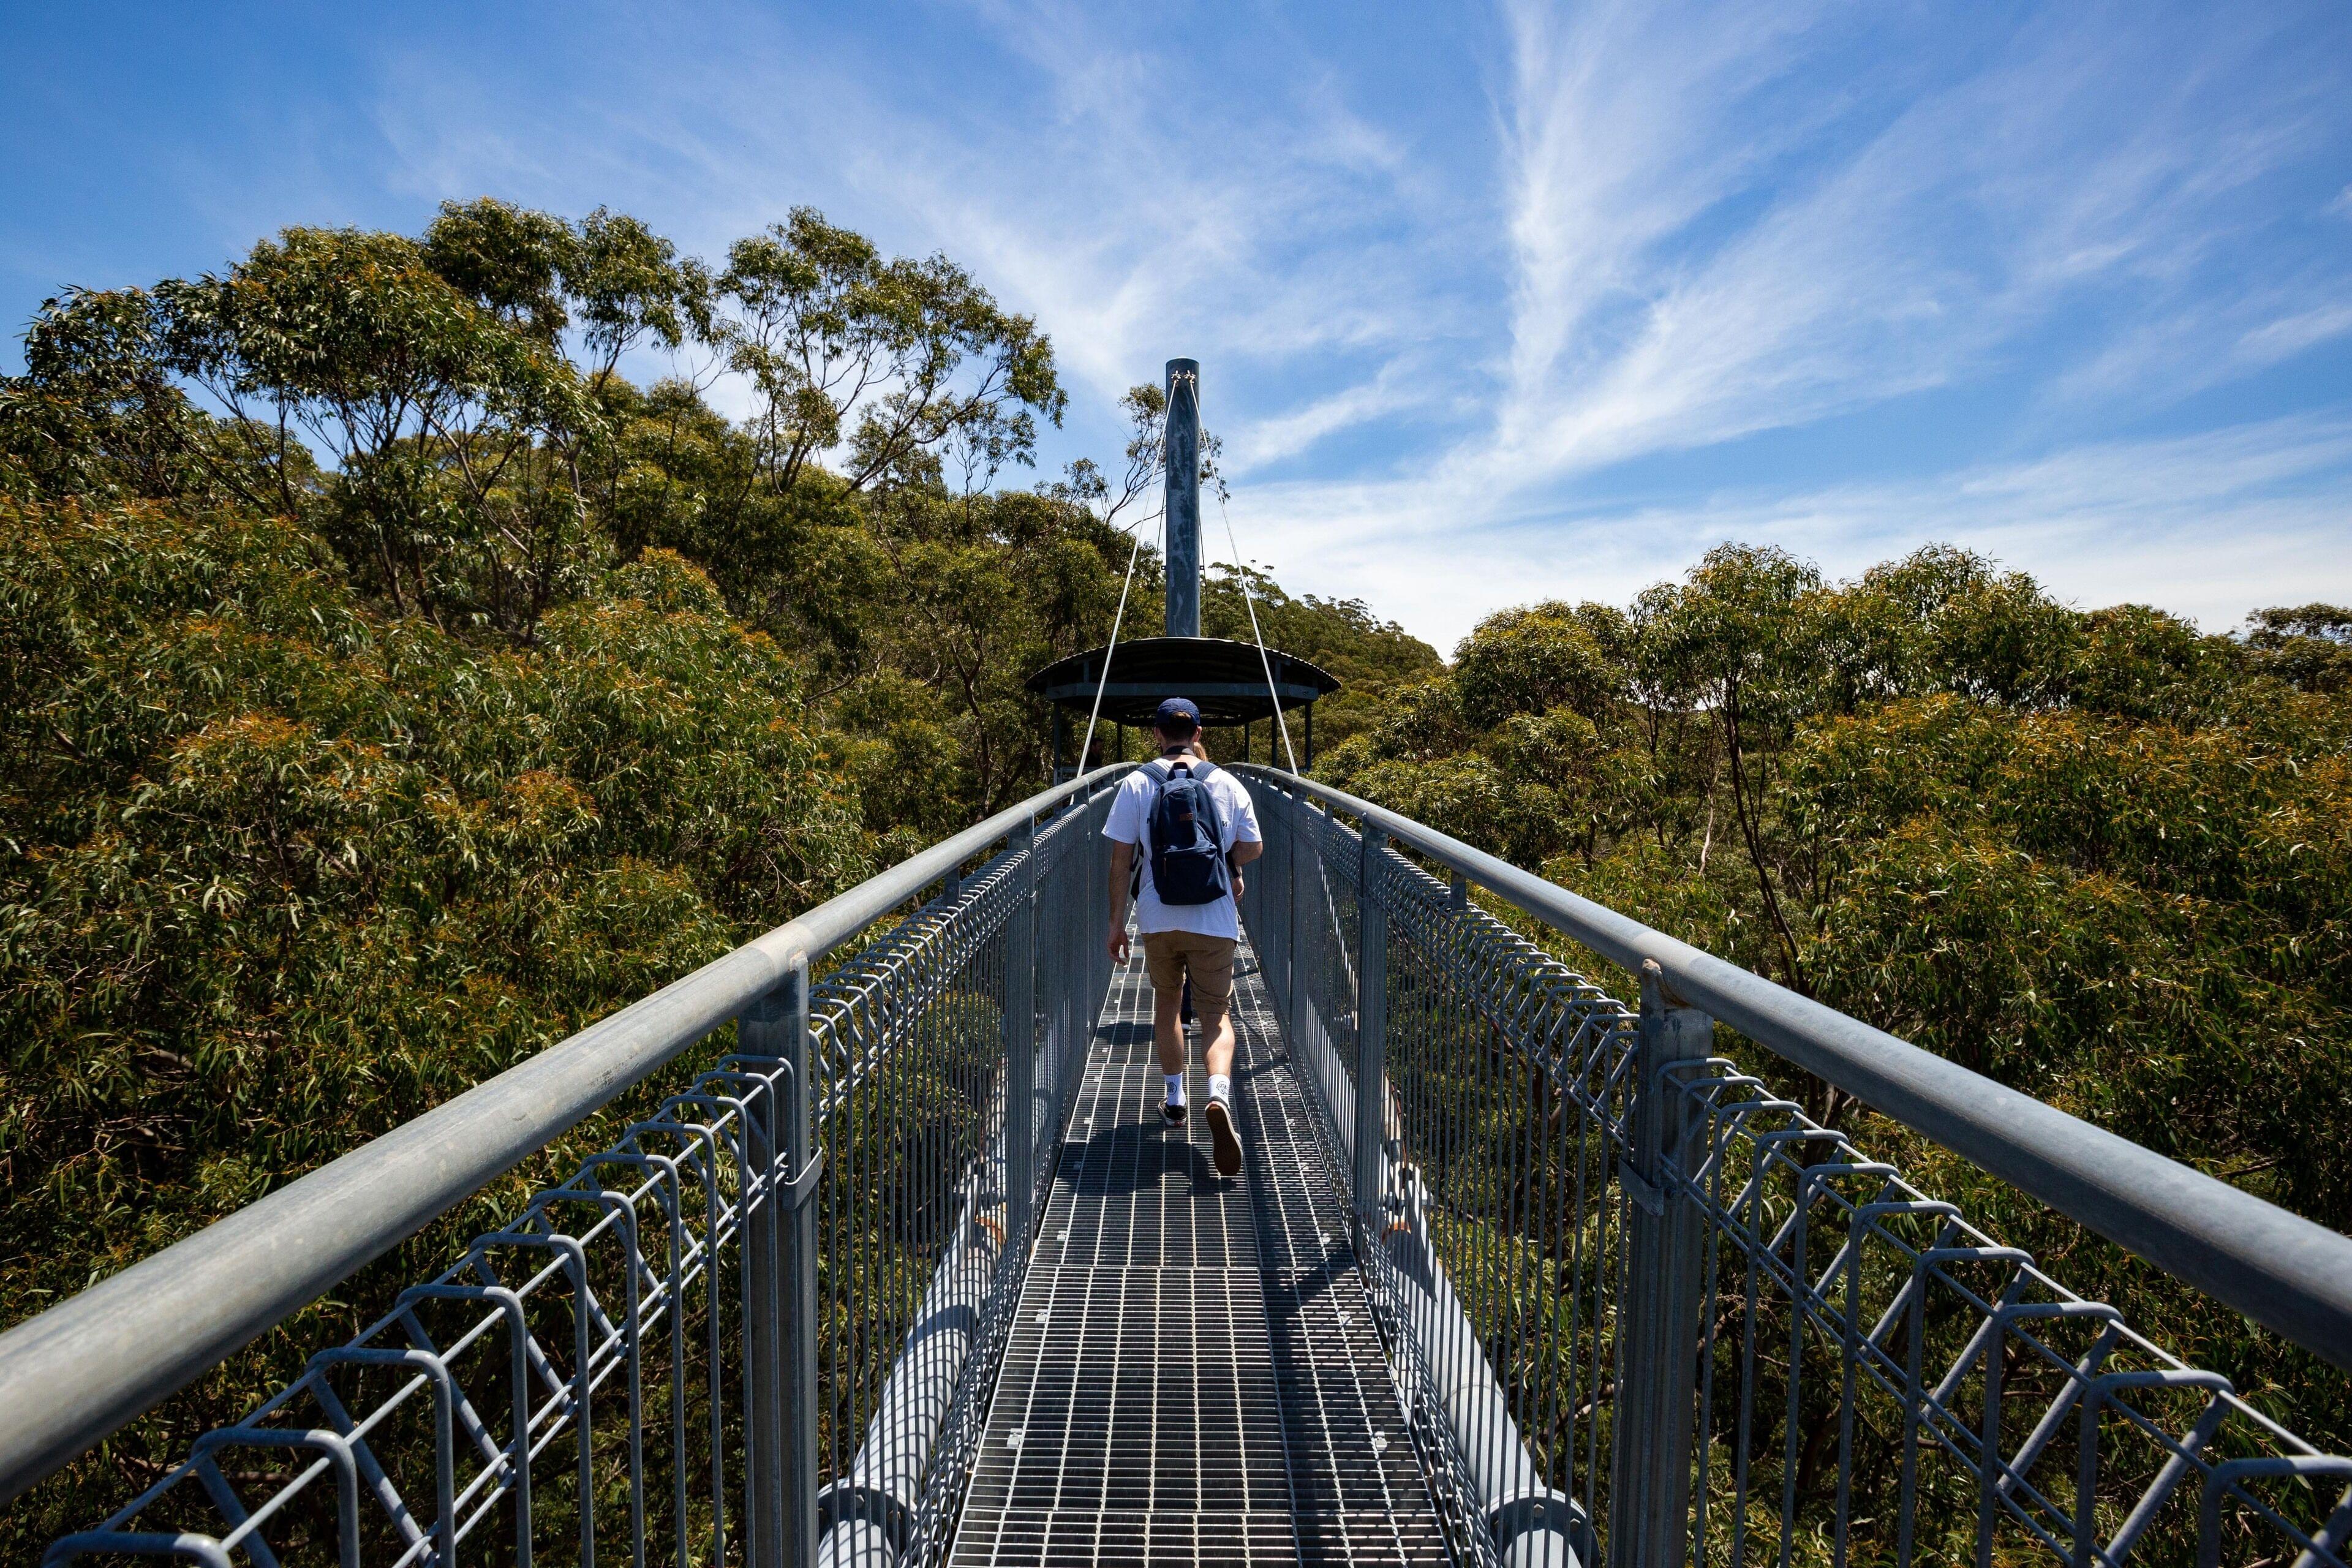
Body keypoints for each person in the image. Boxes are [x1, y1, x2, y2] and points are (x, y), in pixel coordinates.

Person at [1104, 698, 1263, 1177]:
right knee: (1215, 1015)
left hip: (1157, 915)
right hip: (1215, 917)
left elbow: (1119, 861)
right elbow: (1254, 846)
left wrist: (1117, 923)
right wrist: (1229, 864)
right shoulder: (1226, 782)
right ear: (1197, 731)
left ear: (1156, 733)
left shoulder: (1136, 783)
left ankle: (1175, 1102)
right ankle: (1217, 1094)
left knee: (1168, 1007)